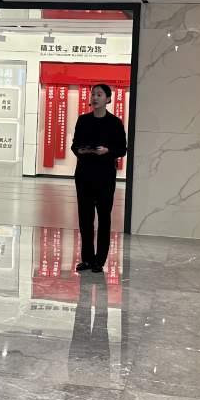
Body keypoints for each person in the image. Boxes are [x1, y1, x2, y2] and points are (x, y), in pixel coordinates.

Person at [70, 83, 127, 274]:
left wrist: (107, 151)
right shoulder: (83, 120)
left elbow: (122, 149)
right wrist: (80, 150)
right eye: (93, 94)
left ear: (108, 99)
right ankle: (87, 258)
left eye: (99, 94)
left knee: (104, 218)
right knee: (85, 218)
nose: (95, 98)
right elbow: (74, 145)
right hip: (84, 174)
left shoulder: (115, 123)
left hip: (105, 177)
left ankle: (100, 260)